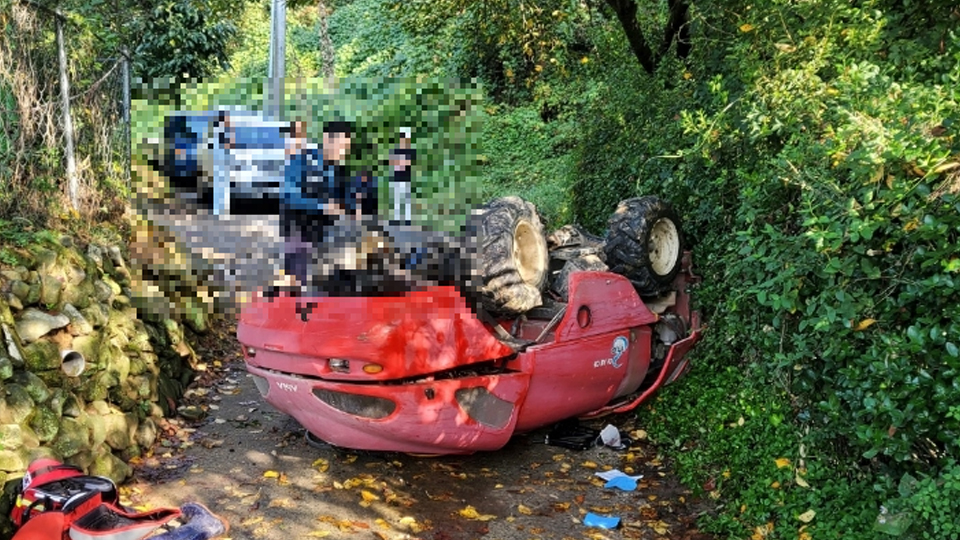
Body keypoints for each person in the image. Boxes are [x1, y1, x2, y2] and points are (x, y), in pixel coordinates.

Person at [279, 120, 353, 287]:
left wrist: (343, 206)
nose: (344, 153)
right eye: (341, 146)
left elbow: (335, 197)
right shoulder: (302, 160)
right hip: (297, 229)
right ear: (327, 139)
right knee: (298, 280)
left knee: (322, 279)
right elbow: (289, 196)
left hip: (322, 232)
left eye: (346, 148)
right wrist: (322, 206)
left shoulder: (335, 168)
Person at [390, 127, 416, 224]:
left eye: (404, 138)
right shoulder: (395, 150)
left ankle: (407, 218)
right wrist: (398, 163)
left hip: (406, 177)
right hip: (396, 176)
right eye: (401, 138)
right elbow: (392, 161)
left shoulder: (410, 151)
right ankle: (396, 218)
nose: (402, 140)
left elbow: (409, 163)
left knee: (406, 198)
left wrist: (401, 163)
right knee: (397, 198)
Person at [211, 112, 234, 216]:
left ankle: (218, 209)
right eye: (227, 118)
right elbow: (228, 145)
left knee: (219, 185)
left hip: (218, 161)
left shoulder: (216, 130)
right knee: (223, 186)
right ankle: (222, 210)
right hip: (222, 161)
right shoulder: (223, 131)